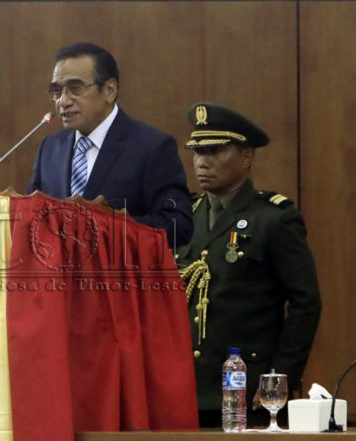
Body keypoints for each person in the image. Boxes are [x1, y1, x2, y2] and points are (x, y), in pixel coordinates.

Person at [176, 102, 322, 427]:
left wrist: (280, 376)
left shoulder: (273, 218)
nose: (202, 162)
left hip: (247, 392)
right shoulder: (186, 216)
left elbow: (306, 302)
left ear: (246, 157)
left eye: (215, 152)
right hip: (187, 391)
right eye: (198, 152)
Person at [27, 42, 193, 247]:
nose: (63, 101)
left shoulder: (152, 147)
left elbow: (178, 225)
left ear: (109, 90)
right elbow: (32, 216)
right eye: (56, 91)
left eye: (75, 88)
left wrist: (103, 228)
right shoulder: (51, 148)